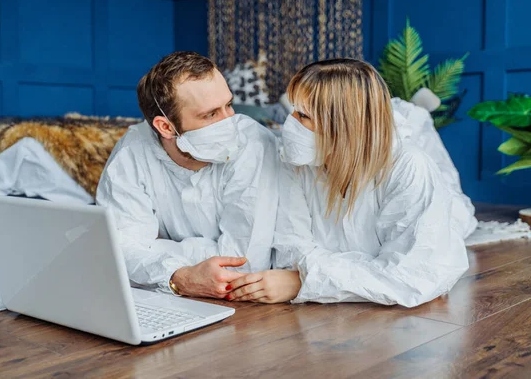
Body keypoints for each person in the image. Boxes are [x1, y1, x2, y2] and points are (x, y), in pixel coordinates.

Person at [226, 58, 476, 307]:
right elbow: (291, 251)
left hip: (434, 195)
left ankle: (416, 114)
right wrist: (358, 271)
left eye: (303, 115)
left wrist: (303, 282)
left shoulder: (409, 166)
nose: (290, 124)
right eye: (292, 110)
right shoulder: (296, 163)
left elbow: (414, 277)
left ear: (342, 125)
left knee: (459, 211)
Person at [96, 51, 279, 299]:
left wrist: (157, 252)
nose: (230, 122)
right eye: (211, 114)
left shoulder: (255, 144)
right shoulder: (131, 152)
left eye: (229, 105)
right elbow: (117, 253)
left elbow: (245, 265)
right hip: (168, 304)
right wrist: (181, 277)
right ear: (165, 127)